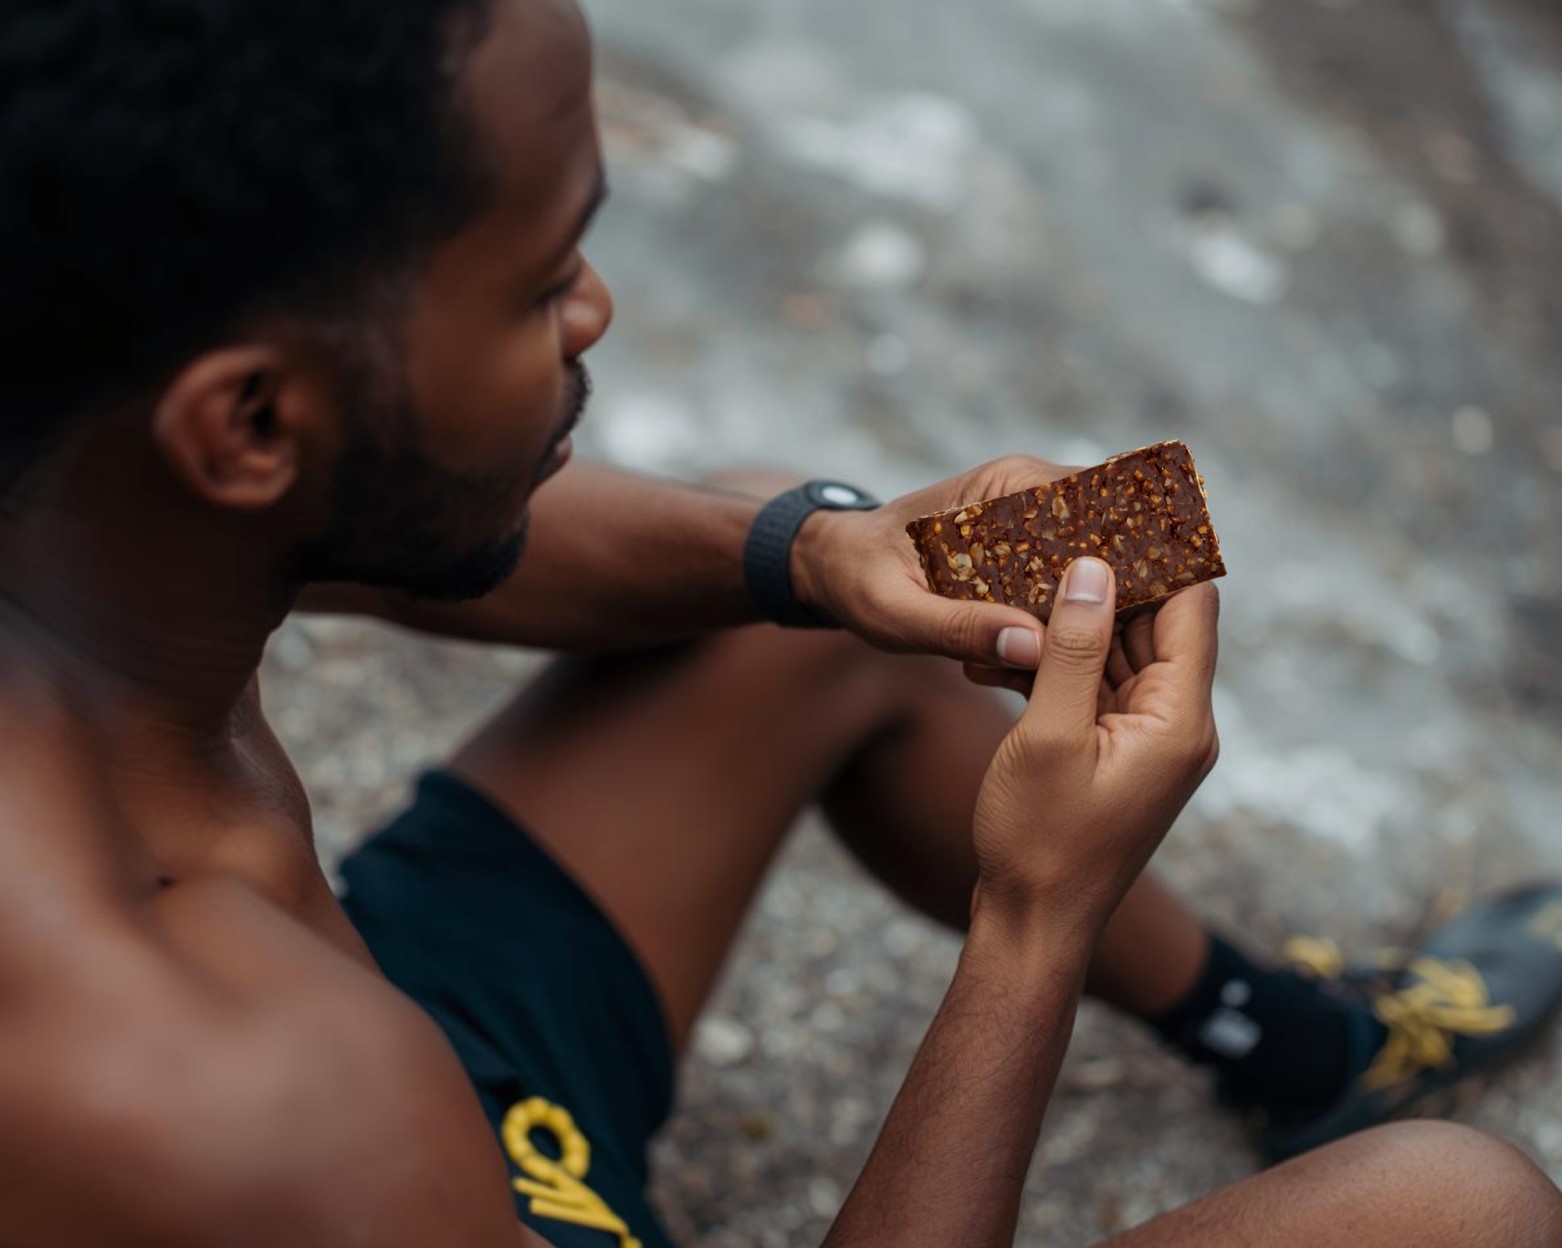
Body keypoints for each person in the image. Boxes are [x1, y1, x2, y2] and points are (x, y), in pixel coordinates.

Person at [0, 1, 1559, 1245]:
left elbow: (386, 535)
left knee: (766, 591)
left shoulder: (78, 463)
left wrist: (819, 557)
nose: (594, 308)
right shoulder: (231, 1094)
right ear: (252, 422)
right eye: (541, 284)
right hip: (377, 1161)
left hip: (397, 1046)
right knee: (1457, 1212)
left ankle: (1297, 1048)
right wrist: (1032, 921)